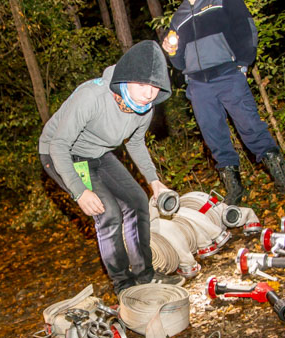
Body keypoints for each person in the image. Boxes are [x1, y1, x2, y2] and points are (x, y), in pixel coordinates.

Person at [39, 40, 184, 295]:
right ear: (127, 79)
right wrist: (79, 191)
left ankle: (145, 276)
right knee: (109, 213)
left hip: (98, 153)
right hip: (61, 153)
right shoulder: (92, 97)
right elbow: (59, 145)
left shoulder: (144, 106)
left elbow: (136, 143)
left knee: (138, 202)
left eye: (154, 86)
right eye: (142, 84)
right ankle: (124, 285)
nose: (149, 93)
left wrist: (154, 181)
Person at [161, 0, 285, 205]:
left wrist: (242, 64)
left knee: (251, 126)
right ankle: (235, 190)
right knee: (215, 138)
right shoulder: (178, 17)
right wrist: (170, 50)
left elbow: (246, 26)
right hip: (198, 85)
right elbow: (178, 62)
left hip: (228, 74)